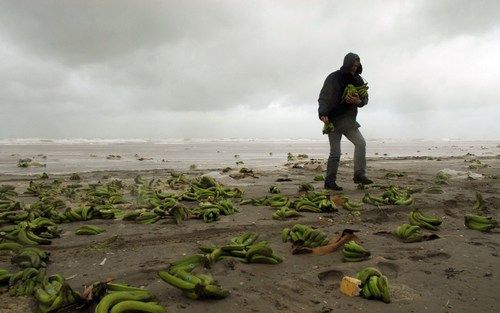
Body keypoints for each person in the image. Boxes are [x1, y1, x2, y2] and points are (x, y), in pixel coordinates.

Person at [318, 52, 373, 190]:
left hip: (348, 121)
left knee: (361, 143)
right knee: (335, 153)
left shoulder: (359, 80)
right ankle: (329, 182)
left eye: (357, 65)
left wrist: (359, 101)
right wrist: (323, 113)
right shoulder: (334, 77)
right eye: (353, 65)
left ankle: (359, 175)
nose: (354, 68)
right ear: (347, 63)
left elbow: (365, 99)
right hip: (333, 120)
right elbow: (323, 97)